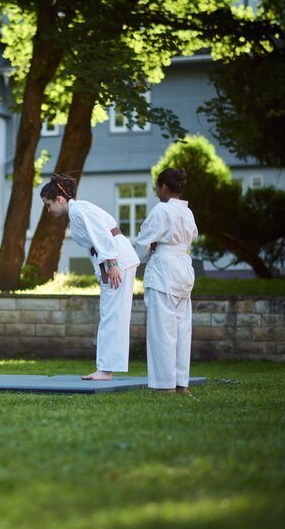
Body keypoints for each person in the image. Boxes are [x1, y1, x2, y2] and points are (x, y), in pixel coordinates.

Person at [40, 173, 140, 381]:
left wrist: (112, 264)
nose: (48, 210)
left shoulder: (78, 211)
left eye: (48, 205)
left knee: (111, 314)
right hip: (115, 259)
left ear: (59, 199)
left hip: (117, 260)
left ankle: (105, 369)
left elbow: (102, 235)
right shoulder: (78, 210)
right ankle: (106, 368)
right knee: (112, 313)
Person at [134, 167, 199, 394]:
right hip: (183, 269)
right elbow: (190, 237)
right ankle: (181, 383)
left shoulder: (161, 210)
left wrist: (136, 258)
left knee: (162, 331)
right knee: (182, 330)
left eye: (157, 188)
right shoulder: (187, 213)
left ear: (163, 187)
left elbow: (143, 242)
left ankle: (164, 385)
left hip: (164, 270)